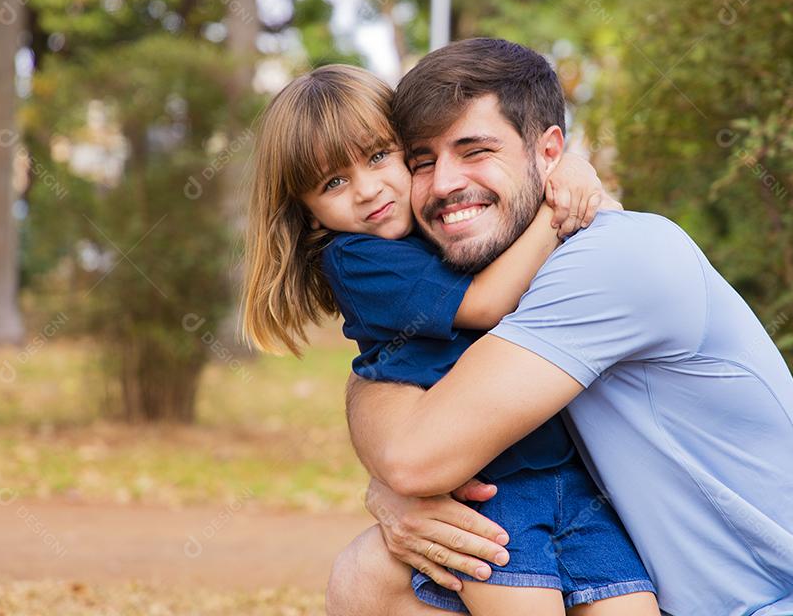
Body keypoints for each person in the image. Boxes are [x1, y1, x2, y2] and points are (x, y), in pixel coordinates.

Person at [326, 39, 793, 616]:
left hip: (789, 609)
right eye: (423, 161)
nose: (445, 183)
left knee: (374, 573)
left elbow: (417, 455)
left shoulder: (613, 259)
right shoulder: (503, 274)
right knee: (374, 574)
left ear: (549, 152)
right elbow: (395, 391)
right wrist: (393, 488)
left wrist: (397, 480)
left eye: (475, 151)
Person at [240, 64, 660, 615]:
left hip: (574, 484)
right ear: (308, 211)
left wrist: (569, 168)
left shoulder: (444, 223)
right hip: (488, 494)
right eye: (333, 183)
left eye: (378, 157)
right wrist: (558, 210)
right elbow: (485, 304)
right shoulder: (360, 258)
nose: (368, 191)